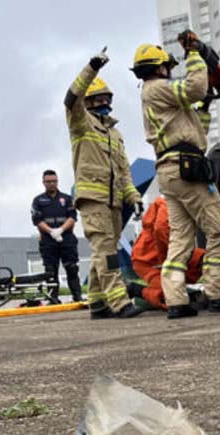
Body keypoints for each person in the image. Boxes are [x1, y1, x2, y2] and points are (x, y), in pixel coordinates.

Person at [133, 38, 220, 319]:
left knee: (180, 238)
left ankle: (176, 299)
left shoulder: (155, 96)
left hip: (171, 169)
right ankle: (219, 292)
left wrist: (203, 109)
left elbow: (195, 133)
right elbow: (195, 87)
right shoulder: (159, 89)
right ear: (162, 67)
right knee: (219, 228)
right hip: (184, 167)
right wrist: (194, 54)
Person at [65, 48, 144, 319]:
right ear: (87, 103)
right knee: (106, 250)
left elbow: (123, 170)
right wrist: (92, 67)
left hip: (114, 201)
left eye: (105, 97)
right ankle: (119, 300)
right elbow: (71, 97)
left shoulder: (115, 133)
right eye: (96, 98)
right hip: (92, 199)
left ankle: (97, 302)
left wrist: (133, 197)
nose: (102, 102)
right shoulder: (81, 124)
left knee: (105, 250)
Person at [128, 196, 205, 310]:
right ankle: (140, 293)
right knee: (170, 295)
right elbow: (161, 229)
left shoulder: (178, 200)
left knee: (205, 260)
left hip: (164, 253)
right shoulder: (170, 202)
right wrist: (169, 262)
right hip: (148, 259)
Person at [31, 170, 83, 303]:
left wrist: (60, 230)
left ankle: (77, 297)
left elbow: (72, 217)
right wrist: (51, 232)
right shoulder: (38, 201)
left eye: (54, 181)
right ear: (44, 182)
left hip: (66, 240)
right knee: (50, 271)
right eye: (48, 181)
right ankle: (53, 298)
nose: (51, 184)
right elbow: (37, 220)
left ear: (57, 181)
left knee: (72, 268)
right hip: (48, 241)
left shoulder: (66, 199)